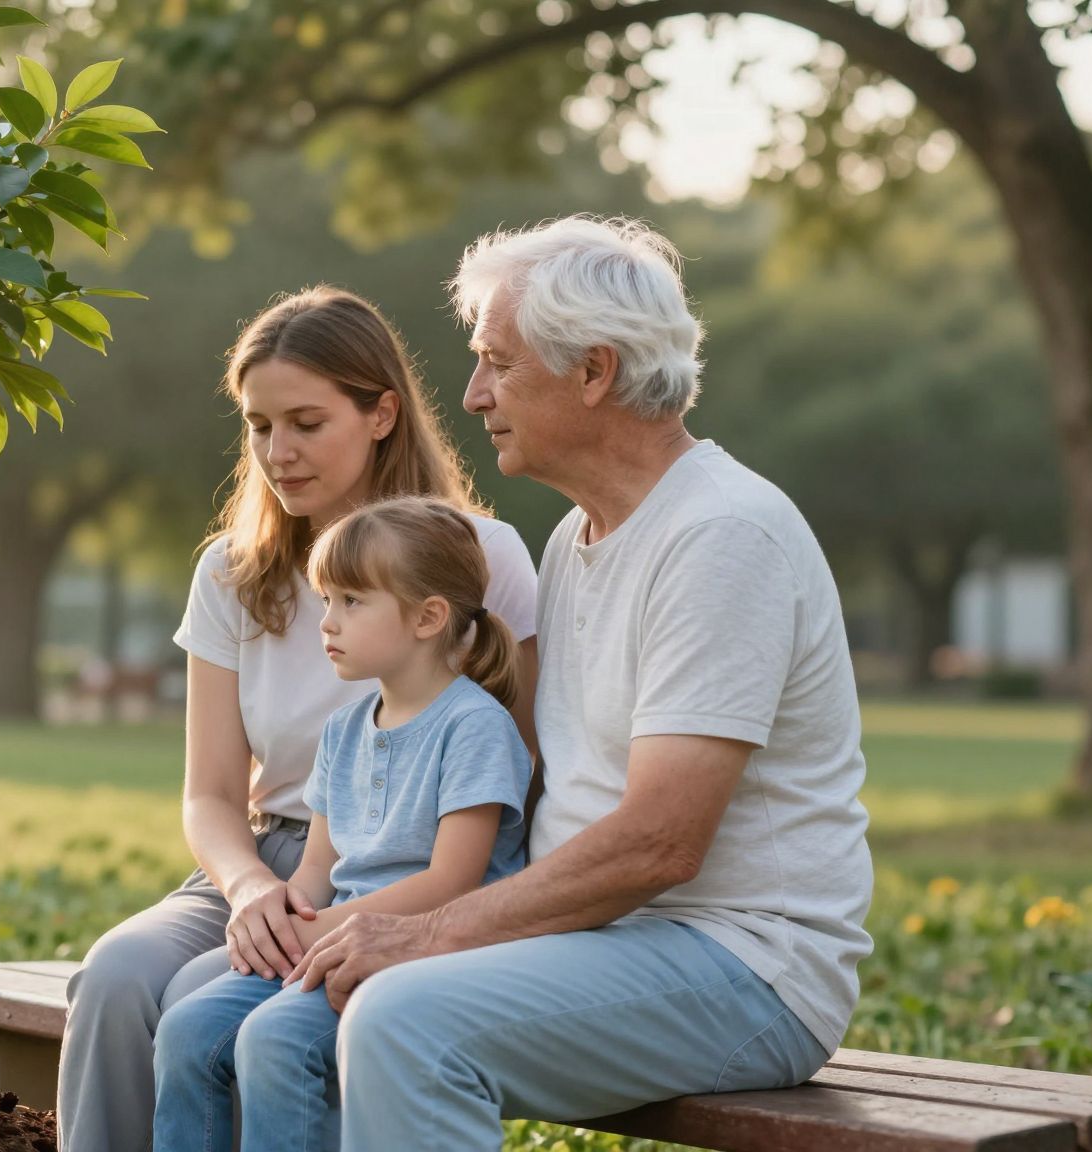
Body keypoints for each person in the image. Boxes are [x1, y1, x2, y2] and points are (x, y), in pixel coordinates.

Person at [284, 217, 873, 1149]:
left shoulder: (721, 534)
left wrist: (434, 932)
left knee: (404, 1017)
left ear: (594, 371)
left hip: (744, 964)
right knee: (271, 1009)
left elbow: (660, 844)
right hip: (604, 938)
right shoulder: (576, 536)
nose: (473, 395)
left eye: (497, 363)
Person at [57, 286, 542, 1152]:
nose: (278, 452)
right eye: (258, 425)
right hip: (268, 857)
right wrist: (250, 892)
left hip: (410, 863)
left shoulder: (480, 556)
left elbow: (518, 764)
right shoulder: (232, 572)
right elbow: (209, 793)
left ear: (382, 412)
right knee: (116, 975)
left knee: (212, 1008)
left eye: (307, 423)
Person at [151, 496, 532, 1152]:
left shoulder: (475, 729)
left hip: (428, 953)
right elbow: (318, 871)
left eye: (351, 602)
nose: (326, 623)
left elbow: (452, 883)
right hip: (337, 944)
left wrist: (326, 931)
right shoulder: (344, 731)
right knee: (187, 1031)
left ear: (428, 617)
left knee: (275, 1041)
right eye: (326, 600)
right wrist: (283, 922)